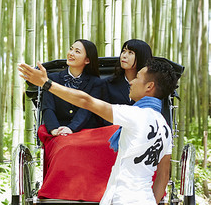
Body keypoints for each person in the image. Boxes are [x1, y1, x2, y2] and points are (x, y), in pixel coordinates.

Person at [19, 58, 178, 205]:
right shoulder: (165, 128)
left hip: (123, 199)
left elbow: (86, 101)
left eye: (137, 78)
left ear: (149, 86)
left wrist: (47, 84)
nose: (131, 82)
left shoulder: (135, 116)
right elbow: (163, 177)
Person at [41, 39, 105, 136]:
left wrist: (71, 128)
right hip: (57, 129)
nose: (71, 53)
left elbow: (87, 110)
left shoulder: (95, 83)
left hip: (84, 131)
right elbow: (48, 107)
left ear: (87, 60)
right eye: (71, 49)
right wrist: (54, 129)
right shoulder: (52, 78)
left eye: (77, 51)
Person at [103, 39, 153, 106]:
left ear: (141, 57)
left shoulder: (150, 86)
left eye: (130, 53)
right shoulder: (107, 84)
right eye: (123, 51)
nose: (124, 56)